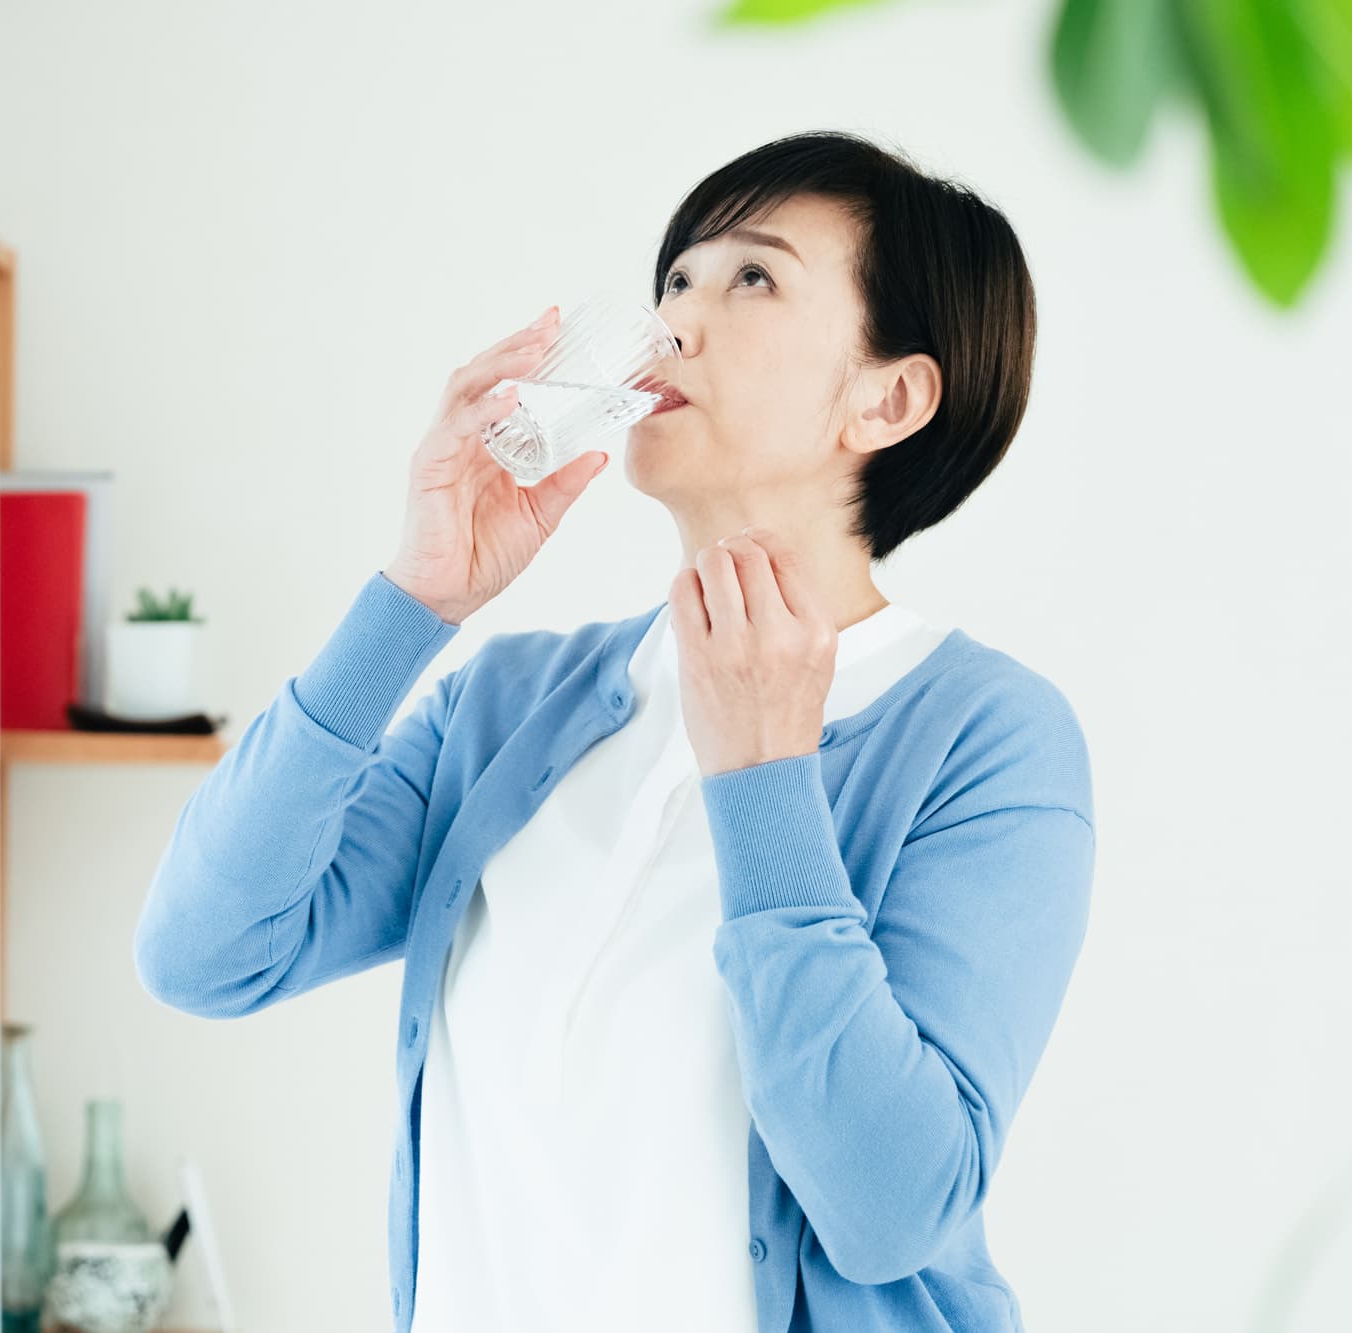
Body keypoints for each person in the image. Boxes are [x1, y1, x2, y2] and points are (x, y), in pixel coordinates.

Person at [134, 130, 1094, 1333]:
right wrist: (410, 603)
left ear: (887, 398)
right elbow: (204, 952)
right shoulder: (509, 703)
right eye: (675, 278)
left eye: (752, 277)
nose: (672, 323)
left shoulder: (985, 739)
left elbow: (891, 1209)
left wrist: (765, 776)